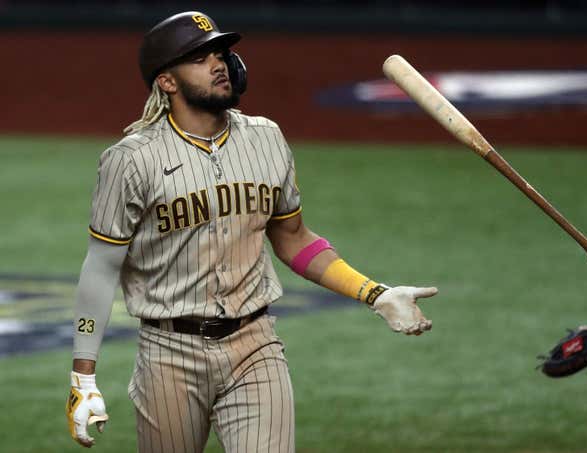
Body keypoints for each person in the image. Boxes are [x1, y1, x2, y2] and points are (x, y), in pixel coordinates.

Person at [65, 11, 439, 452]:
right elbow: (101, 268)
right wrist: (82, 376)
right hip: (168, 354)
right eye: (200, 58)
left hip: (255, 347)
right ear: (167, 82)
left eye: (220, 53)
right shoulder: (130, 160)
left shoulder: (266, 138)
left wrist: (373, 293)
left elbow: (293, 238)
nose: (219, 63)